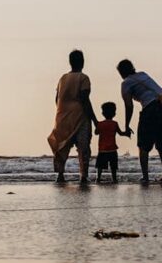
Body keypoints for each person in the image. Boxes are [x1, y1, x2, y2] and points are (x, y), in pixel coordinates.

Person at [117, 59, 162, 185]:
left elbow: (129, 106)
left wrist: (126, 126)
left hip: (151, 108)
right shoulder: (143, 74)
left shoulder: (126, 83)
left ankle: (145, 177)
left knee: (143, 145)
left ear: (121, 73)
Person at [48, 49, 99, 185]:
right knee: (83, 147)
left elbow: (57, 99)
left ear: (70, 62)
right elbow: (85, 100)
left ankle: (60, 174)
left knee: (62, 146)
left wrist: (63, 111)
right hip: (80, 117)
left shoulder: (62, 78)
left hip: (62, 117)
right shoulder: (83, 78)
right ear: (82, 62)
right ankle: (83, 175)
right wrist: (94, 120)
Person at [94, 102, 128, 184]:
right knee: (113, 166)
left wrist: (96, 124)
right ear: (114, 113)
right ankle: (114, 179)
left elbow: (96, 132)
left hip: (102, 149)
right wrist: (127, 133)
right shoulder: (114, 124)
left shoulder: (100, 124)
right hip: (112, 149)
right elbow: (120, 133)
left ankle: (98, 178)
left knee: (100, 166)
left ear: (103, 113)